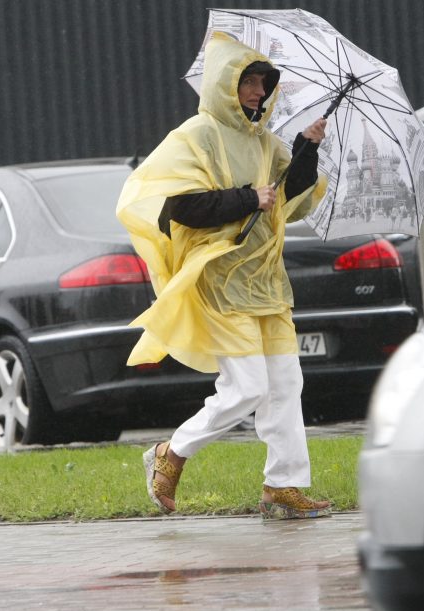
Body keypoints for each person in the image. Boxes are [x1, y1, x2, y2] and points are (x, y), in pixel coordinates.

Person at [115, 32, 331, 520]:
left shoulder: (265, 141)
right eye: (248, 82)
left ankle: (284, 486)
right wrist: (245, 198)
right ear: (223, 85)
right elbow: (182, 207)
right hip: (222, 282)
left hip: (267, 282)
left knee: (286, 384)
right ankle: (172, 453)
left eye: (263, 83)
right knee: (250, 387)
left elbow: (288, 191)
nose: (258, 92)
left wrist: (305, 148)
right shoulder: (194, 136)